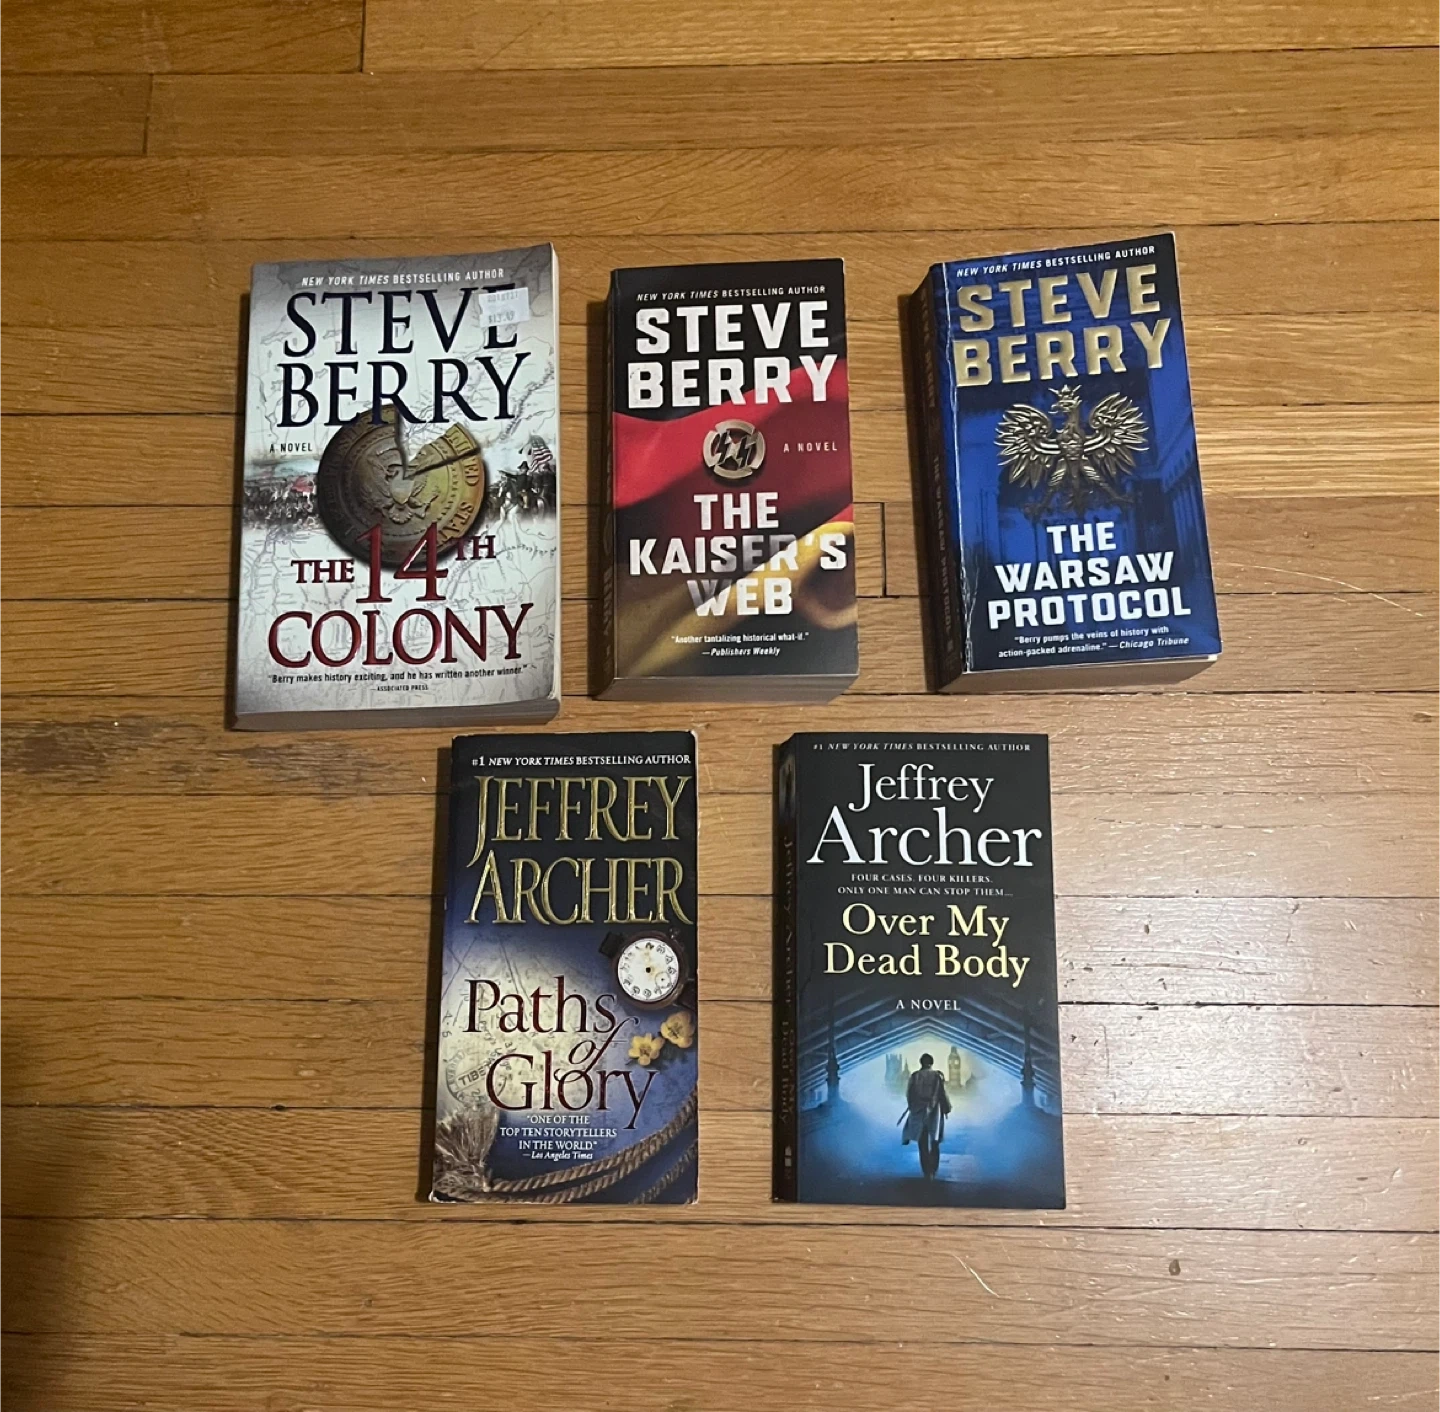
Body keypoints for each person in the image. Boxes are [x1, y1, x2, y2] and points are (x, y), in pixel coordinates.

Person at [901, 1053, 952, 1178]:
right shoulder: (937, 1076)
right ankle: (933, 1169)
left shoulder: (915, 1076)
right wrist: (946, 1108)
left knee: (922, 1142)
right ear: (931, 1063)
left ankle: (926, 1171)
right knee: (935, 1141)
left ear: (921, 1062)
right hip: (934, 1111)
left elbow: (909, 1094)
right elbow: (942, 1093)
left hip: (918, 1111)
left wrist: (913, 1107)